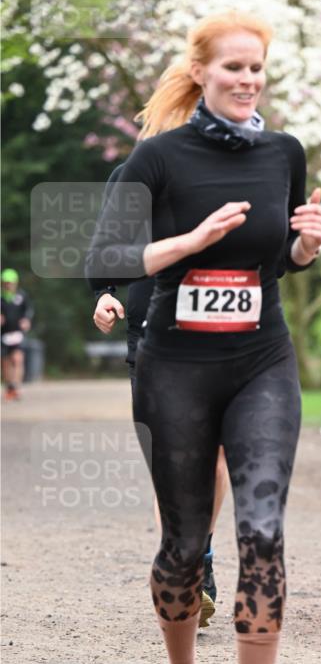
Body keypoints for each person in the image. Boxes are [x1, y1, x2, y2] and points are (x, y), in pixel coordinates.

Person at [86, 11, 321, 664]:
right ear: (200, 72)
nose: (247, 81)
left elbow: (279, 262)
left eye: (256, 69)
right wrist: (190, 244)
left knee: (261, 526)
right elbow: (104, 257)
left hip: (261, 359)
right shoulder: (158, 159)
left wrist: (305, 244)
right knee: (186, 543)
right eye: (233, 69)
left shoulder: (283, 151)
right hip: (176, 366)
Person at [90, 168, 227, 628]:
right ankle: (184, 564)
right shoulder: (132, 173)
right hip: (151, 329)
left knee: (217, 459)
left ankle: (199, 557)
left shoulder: (233, 163)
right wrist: (105, 294)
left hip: (219, 323)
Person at [1, 268, 33, 400]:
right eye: (6, 282)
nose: (9, 285)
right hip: (4, 333)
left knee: (18, 359)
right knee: (6, 362)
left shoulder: (21, 296)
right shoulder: (1, 297)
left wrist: (26, 320)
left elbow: (29, 310)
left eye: (11, 282)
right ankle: (9, 387)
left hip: (17, 333)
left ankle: (16, 388)